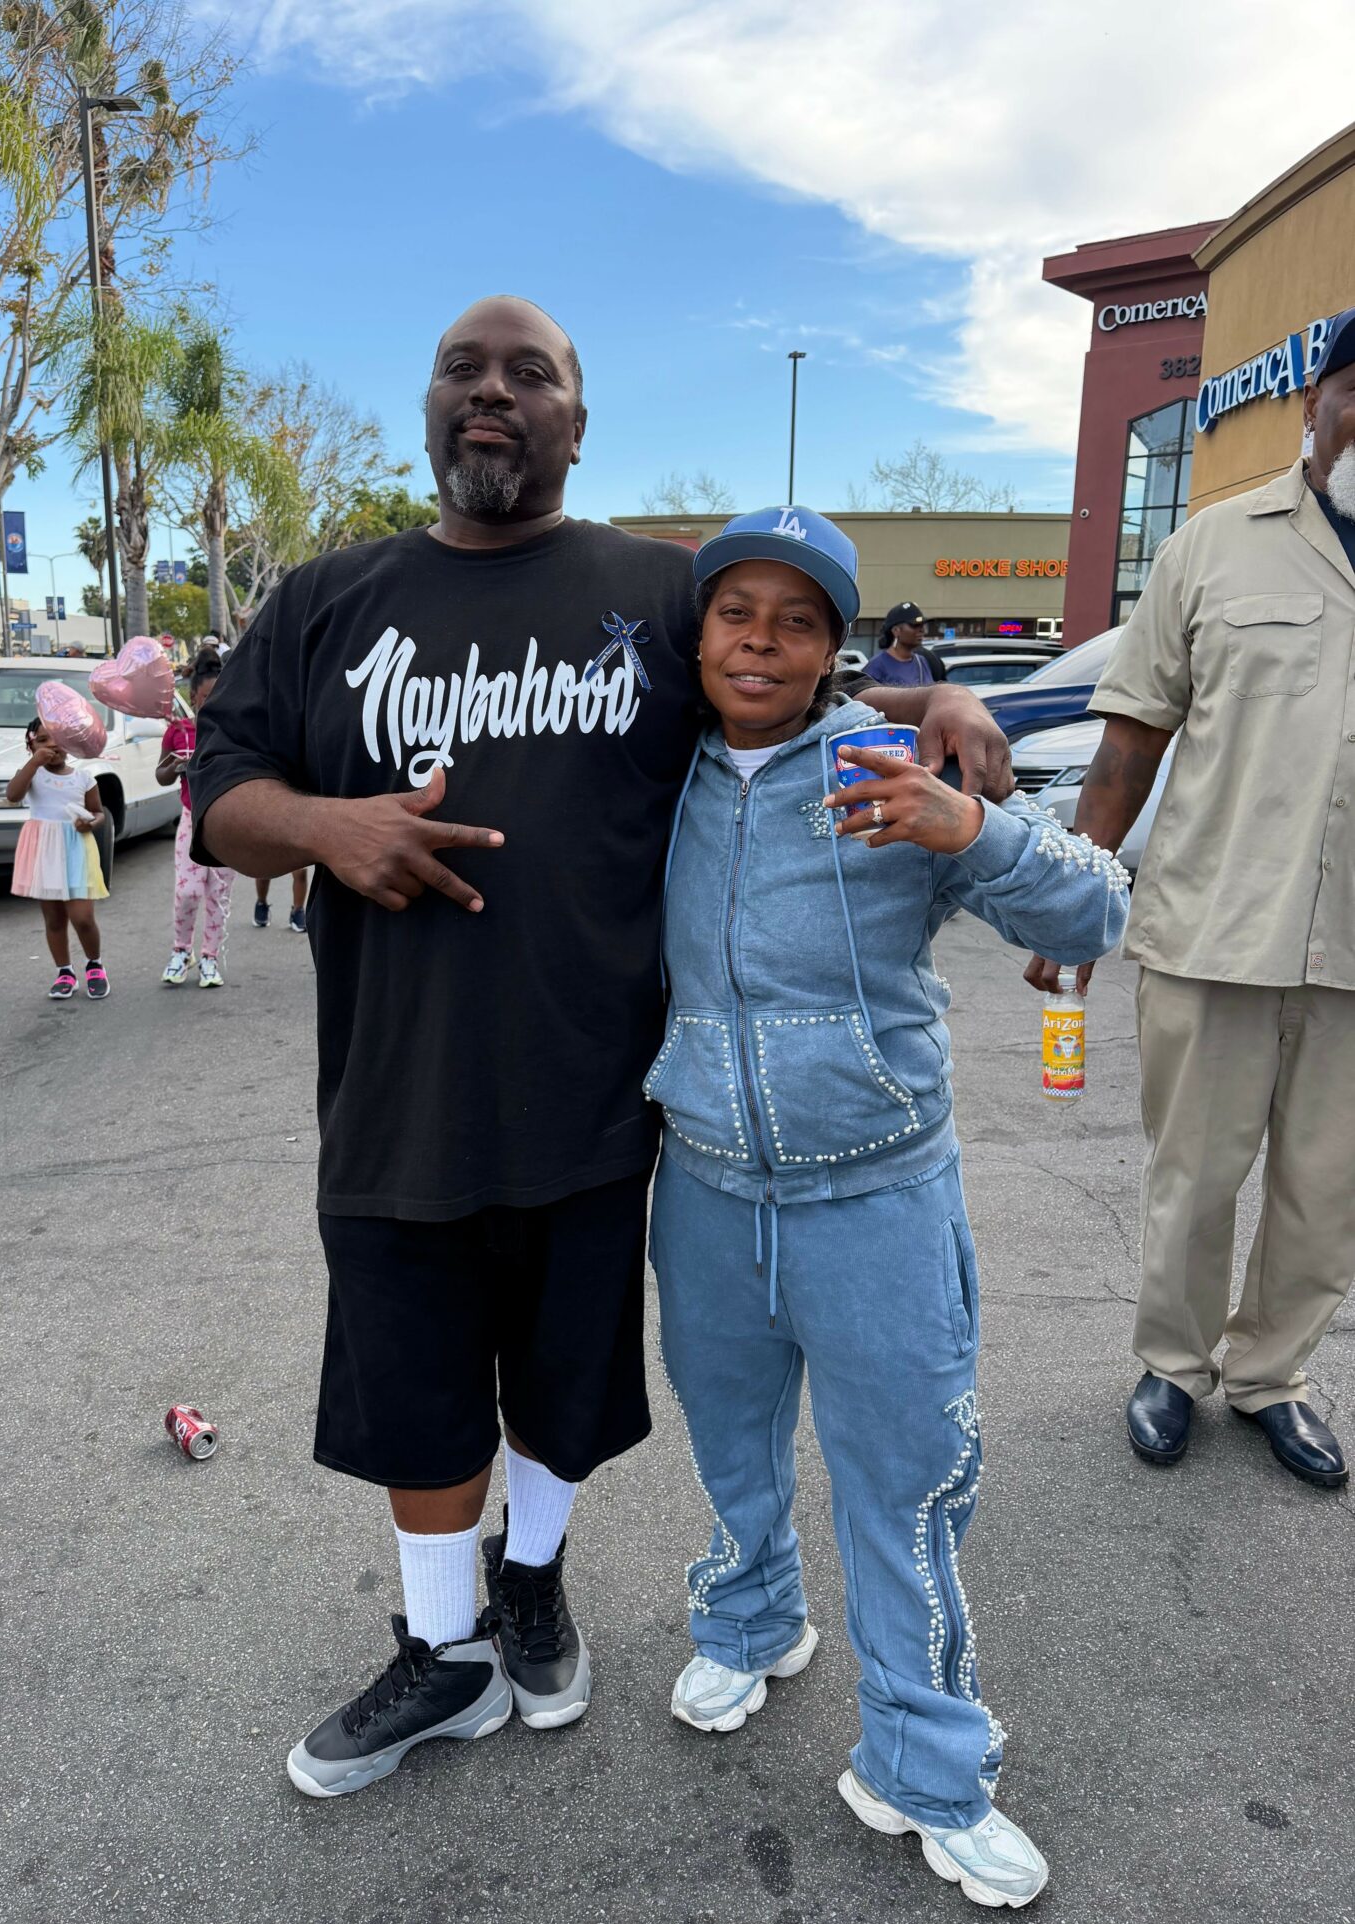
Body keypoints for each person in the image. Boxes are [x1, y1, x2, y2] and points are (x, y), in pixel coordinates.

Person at [188, 295, 1015, 1801]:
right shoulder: (326, 599)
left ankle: (535, 1583)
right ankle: (444, 1659)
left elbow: (779, 684)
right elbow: (221, 787)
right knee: (414, 1387)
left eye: (531, 374)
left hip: (601, 1098)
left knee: (564, 1386)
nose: (492, 392)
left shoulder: (651, 586)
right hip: (394, 1089)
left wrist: (936, 693)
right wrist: (323, 828)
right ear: (429, 407)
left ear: (579, 419)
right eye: (463, 368)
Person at [648, 507, 1126, 1907]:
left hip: (880, 1202)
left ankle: (922, 1762)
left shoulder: (888, 764)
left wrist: (970, 826)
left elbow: (1092, 918)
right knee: (732, 1444)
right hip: (708, 1191)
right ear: (701, 632)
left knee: (907, 1485)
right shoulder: (652, 774)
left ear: (834, 652)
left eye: (797, 621)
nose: (761, 639)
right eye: (738, 611)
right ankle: (751, 1620)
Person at [1026, 304, 1355, 1491]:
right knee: (1193, 1175)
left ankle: (1272, 1375)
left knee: (1329, 1193)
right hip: (1215, 926)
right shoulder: (1210, 548)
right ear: (1316, 400)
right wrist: (1071, 896)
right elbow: (1129, 743)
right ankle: (1172, 1361)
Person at [7, 718, 111, 999]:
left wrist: (91, 822)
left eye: (58, 740)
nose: (52, 746)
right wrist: (33, 763)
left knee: (82, 917)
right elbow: (13, 795)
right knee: (54, 919)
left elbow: (99, 812)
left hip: (76, 848)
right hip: (44, 851)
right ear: (30, 745)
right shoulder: (32, 775)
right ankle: (64, 971)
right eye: (43, 740)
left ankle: (94, 965)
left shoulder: (83, 777)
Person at [158, 655, 235, 990]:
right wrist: (176, 766)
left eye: (220, 697)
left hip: (227, 822)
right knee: (188, 892)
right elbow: (160, 775)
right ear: (193, 699)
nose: (213, 705)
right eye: (206, 699)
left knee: (218, 894)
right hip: (191, 820)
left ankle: (209, 958)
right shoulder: (178, 731)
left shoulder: (235, 732)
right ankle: (181, 951)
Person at [863, 602, 945, 685]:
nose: (921, 630)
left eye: (922, 625)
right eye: (915, 625)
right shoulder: (876, 666)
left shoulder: (922, 662)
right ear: (896, 631)